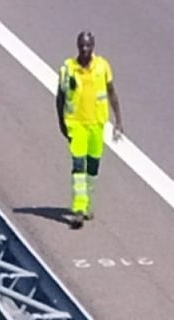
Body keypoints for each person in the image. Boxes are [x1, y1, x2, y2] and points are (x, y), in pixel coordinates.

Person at [56, 31, 123, 228]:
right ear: (77, 46)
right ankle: (78, 208)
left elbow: (112, 92)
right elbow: (59, 98)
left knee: (92, 167)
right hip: (76, 124)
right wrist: (61, 122)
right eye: (82, 46)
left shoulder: (102, 66)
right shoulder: (68, 68)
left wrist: (118, 121)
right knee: (78, 164)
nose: (85, 50)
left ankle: (87, 204)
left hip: (96, 124)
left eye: (88, 46)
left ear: (93, 46)